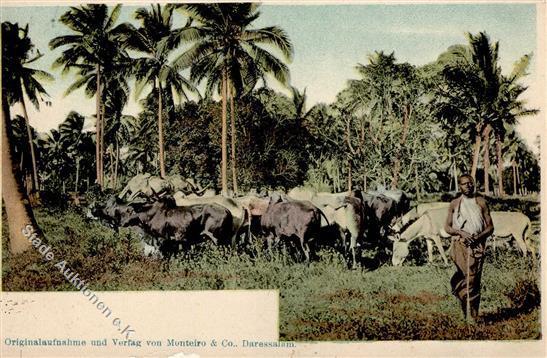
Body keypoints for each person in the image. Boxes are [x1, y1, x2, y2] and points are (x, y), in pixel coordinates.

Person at [444, 174, 494, 323]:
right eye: (465, 184)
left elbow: (490, 227)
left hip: (477, 246)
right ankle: (467, 314)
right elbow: (447, 227)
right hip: (460, 245)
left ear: (474, 184)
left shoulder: (481, 202)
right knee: (464, 279)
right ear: (459, 186)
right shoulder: (454, 203)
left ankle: (474, 315)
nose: (468, 186)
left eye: (470, 183)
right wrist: (461, 233)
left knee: (474, 280)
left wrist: (477, 237)